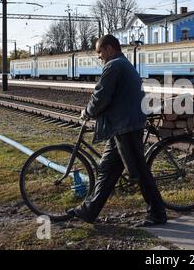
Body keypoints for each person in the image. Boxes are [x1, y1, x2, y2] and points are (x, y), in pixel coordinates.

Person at [66, 34, 167, 227]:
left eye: (99, 51)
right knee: (107, 170)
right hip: (121, 125)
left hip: (125, 126)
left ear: (110, 49)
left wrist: (88, 112)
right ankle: (89, 211)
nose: (99, 56)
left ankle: (157, 214)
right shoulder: (122, 63)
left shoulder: (114, 66)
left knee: (139, 171)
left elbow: (101, 95)